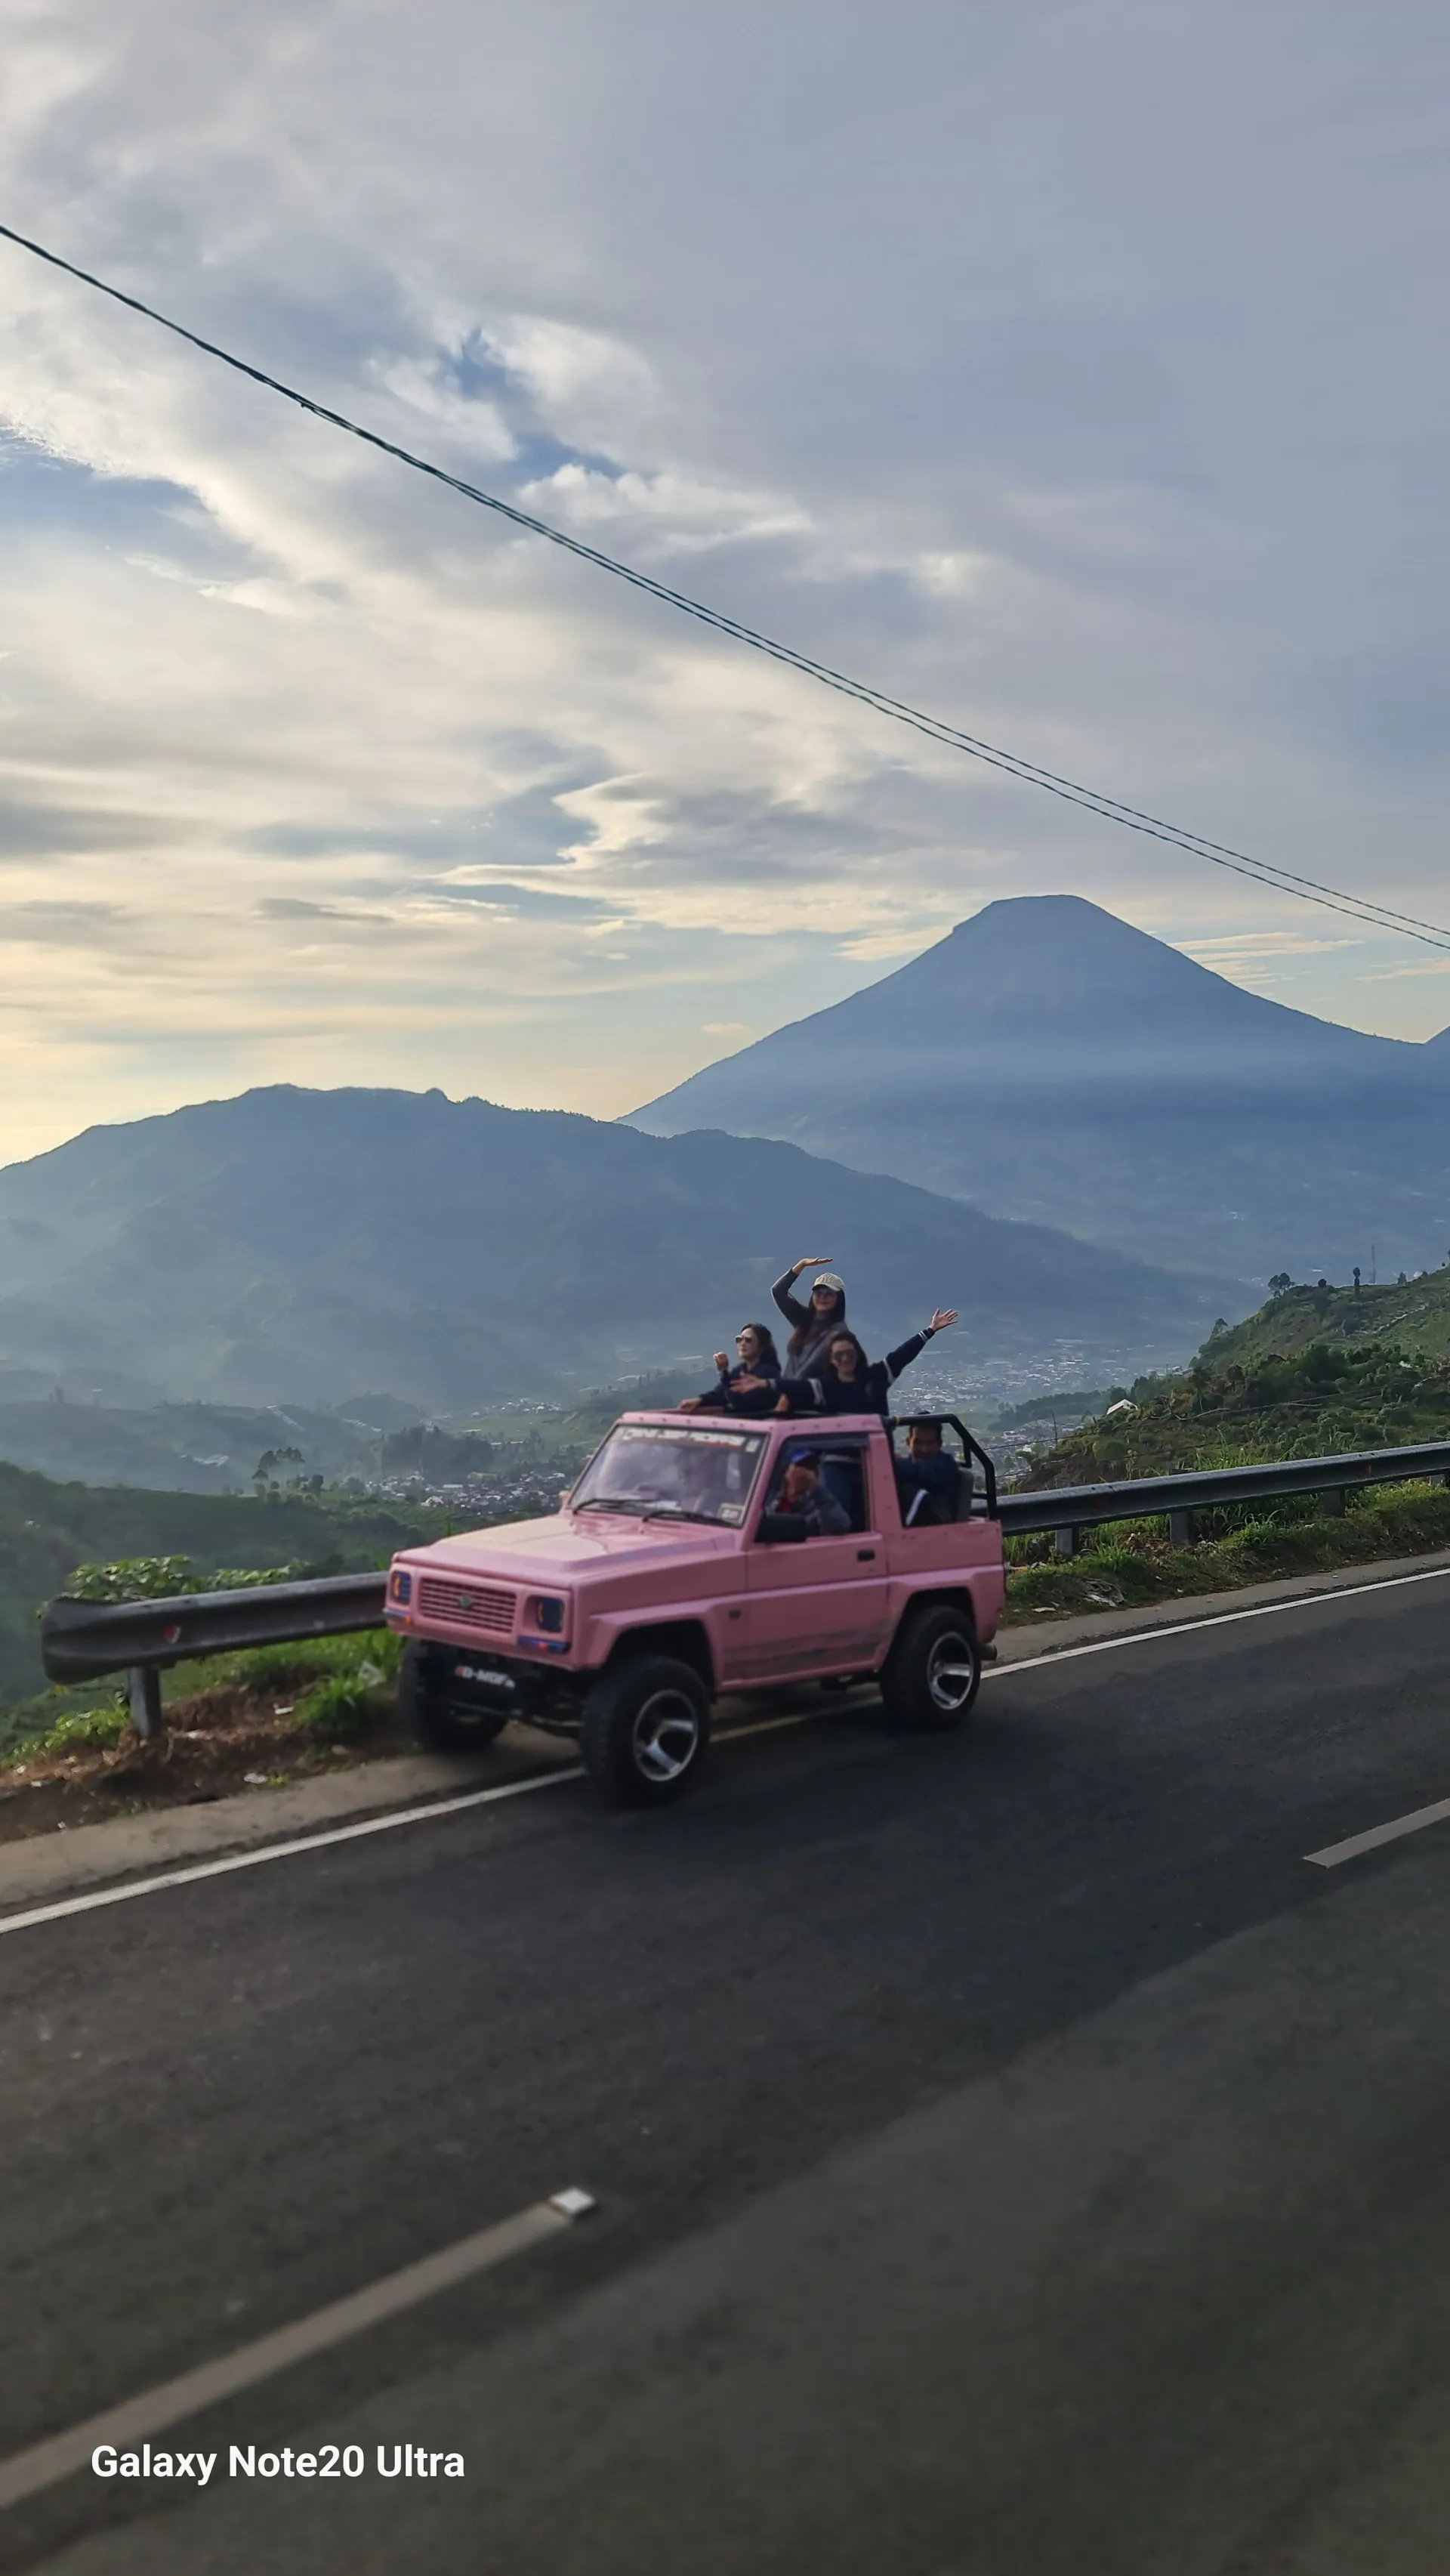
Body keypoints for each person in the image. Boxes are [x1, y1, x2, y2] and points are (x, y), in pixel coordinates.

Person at [773, 1311, 959, 1417]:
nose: (845, 1359)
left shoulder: (875, 1377)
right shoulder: (824, 1387)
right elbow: (796, 1388)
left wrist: (930, 1330)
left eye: (849, 1353)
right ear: (831, 1359)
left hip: (875, 1452)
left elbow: (901, 1356)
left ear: (858, 1354)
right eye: (838, 1355)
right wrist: (766, 1385)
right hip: (838, 1458)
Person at [678, 1323, 782, 1415]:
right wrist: (700, 1400)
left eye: (748, 1340)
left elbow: (741, 1403)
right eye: (739, 1339)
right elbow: (721, 1393)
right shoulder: (739, 1370)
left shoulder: (768, 1373)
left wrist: (723, 1372)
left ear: (762, 1346)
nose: (742, 1343)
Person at [771, 1256, 849, 1377]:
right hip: (790, 1387)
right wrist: (802, 1264)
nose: (823, 1297)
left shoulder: (839, 1332)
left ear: (839, 1299)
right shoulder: (805, 1321)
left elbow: (810, 1367)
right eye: (818, 1293)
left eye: (829, 1293)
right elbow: (778, 1291)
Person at [894, 1419, 964, 1525]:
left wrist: (894, 1463)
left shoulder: (946, 1465)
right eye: (918, 1442)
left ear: (939, 1444)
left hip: (937, 1524)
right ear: (908, 1442)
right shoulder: (908, 1465)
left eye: (930, 1443)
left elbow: (925, 1473)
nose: (924, 1449)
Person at [770, 1447, 850, 1537]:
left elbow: (840, 1526)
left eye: (810, 1468)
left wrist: (815, 1488)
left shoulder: (817, 1504)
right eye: (800, 1467)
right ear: (787, 1472)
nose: (804, 1473)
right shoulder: (771, 1497)